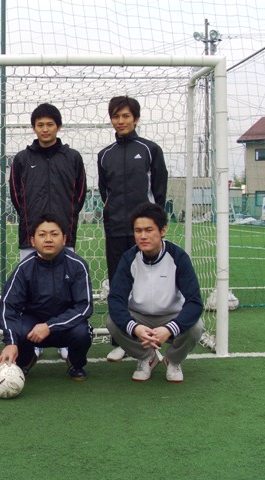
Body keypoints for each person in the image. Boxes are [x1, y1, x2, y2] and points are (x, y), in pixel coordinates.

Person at [9, 103, 87, 361]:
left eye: (49, 124)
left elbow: (79, 195)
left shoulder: (72, 157)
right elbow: (16, 196)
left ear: (58, 127)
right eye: (40, 125)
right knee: (31, 291)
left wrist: (65, 221)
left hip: (64, 236)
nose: (45, 129)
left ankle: (63, 335)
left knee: (65, 291)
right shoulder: (22, 159)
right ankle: (34, 339)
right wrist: (32, 224)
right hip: (31, 237)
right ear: (34, 128)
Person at [97, 96, 168, 362]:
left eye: (126, 116)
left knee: (147, 284)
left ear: (135, 119)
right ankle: (122, 342)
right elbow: (105, 192)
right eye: (116, 116)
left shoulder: (150, 150)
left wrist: (153, 225)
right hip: (116, 229)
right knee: (119, 285)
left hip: (145, 232)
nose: (121, 121)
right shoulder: (105, 155)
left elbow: (159, 191)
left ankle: (151, 337)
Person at [106, 202, 204, 383]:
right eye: (138, 231)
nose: (143, 236)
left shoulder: (178, 257)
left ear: (163, 230)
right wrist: (134, 327)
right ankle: (147, 357)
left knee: (196, 327)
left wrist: (170, 328)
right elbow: (116, 299)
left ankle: (173, 360)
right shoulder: (129, 258)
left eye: (149, 230)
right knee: (112, 322)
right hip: (139, 316)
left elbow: (195, 302)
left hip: (171, 316)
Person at [0, 214, 94, 382]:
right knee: (20, 331)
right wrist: (10, 342)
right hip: (33, 327)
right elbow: (8, 306)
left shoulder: (77, 265)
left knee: (82, 332)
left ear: (64, 239)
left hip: (65, 325)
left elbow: (84, 307)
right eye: (42, 234)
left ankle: (75, 363)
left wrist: (50, 326)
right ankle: (26, 360)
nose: (48, 239)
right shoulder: (24, 268)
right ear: (33, 241)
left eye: (54, 234)